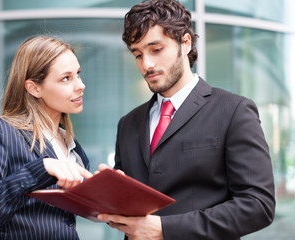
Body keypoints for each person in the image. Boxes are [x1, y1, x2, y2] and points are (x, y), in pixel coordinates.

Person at [97, 0, 276, 239]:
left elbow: (258, 205)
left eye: (156, 49)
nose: (146, 64)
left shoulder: (234, 110)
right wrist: (112, 195)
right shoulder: (128, 123)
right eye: (138, 54)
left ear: (185, 43)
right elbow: (127, 211)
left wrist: (165, 229)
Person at [0, 36, 93, 240]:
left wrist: (110, 195)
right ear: (34, 88)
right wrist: (40, 169)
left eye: (78, 74)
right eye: (66, 78)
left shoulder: (73, 147)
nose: (80, 85)